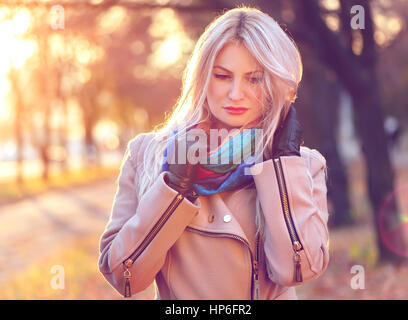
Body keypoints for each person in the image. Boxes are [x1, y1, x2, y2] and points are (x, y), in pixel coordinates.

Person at [98, 6, 329, 300]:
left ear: (275, 84)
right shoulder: (148, 155)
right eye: (222, 76)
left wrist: (281, 167)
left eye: (254, 79)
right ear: (203, 78)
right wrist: (174, 190)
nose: (235, 94)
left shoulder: (302, 166)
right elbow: (124, 277)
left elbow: (298, 270)